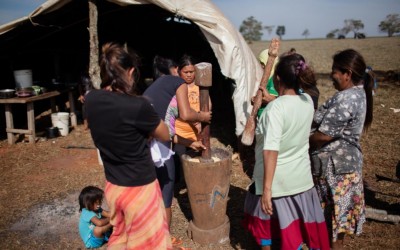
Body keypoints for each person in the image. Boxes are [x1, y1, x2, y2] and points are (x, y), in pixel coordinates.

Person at [85, 42, 172, 249]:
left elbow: (92, 125)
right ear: (131, 71)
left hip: (114, 187)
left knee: (121, 237)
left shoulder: (91, 99)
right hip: (140, 189)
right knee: (150, 243)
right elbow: (164, 134)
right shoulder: (138, 105)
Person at [243, 53, 330, 250]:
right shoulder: (307, 101)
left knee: (267, 231)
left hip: (277, 182)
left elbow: (271, 150)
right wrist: (271, 100)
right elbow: (288, 104)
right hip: (301, 179)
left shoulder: (276, 110)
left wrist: (267, 190)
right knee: (293, 232)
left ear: (278, 78)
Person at [310, 49, 374, 249]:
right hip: (343, 167)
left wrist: (305, 140)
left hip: (337, 170)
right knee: (339, 221)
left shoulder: (346, 98)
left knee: (334, 221)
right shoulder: (358, 93)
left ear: (347, 73)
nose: (331, 75)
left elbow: (325, 135)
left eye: (334, 71)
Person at [143, 54, 211, 231]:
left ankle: (149, 232)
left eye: (191, 72)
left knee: (150, 189)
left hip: (143, 143)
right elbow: (187, 114)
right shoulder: (176, 83)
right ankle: (163, 238)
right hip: (156, 146)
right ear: (176, 70)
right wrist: (202, 116)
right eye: (184, 71)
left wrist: (190, 143)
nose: (187, 76)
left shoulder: (156, 88)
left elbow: (165, 133)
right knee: (167, 189)